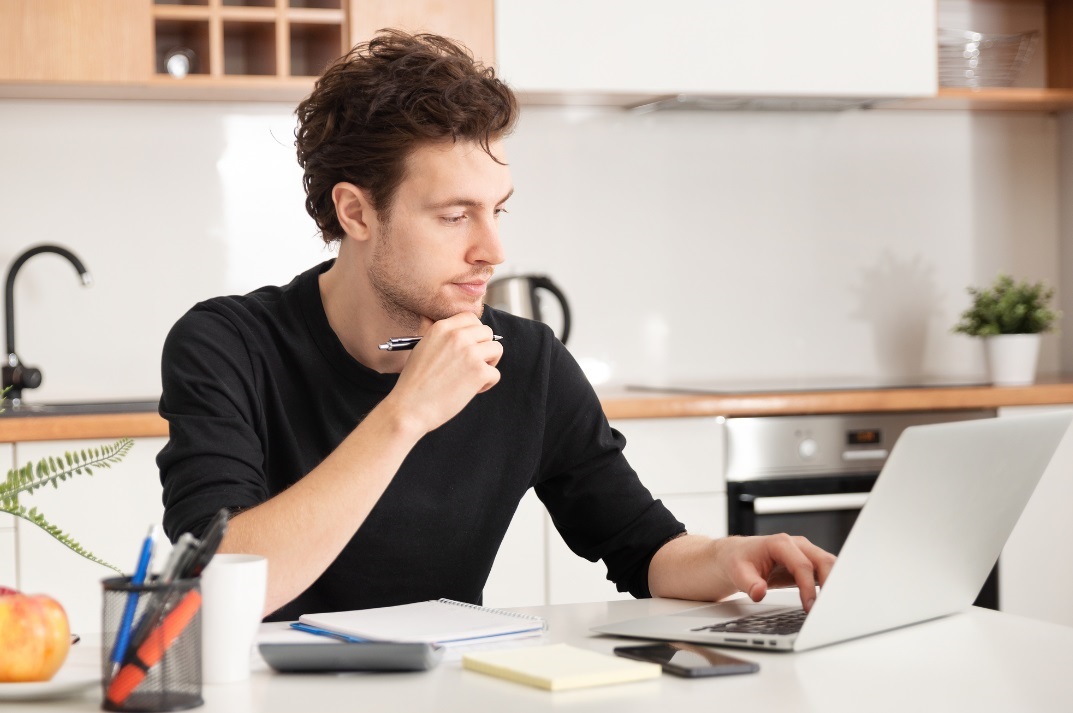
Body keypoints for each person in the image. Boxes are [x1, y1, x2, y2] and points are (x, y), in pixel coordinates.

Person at [158, 30, 835, 622]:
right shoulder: (228, 345)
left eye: (497, 211)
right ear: (357, 214)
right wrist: (405, 415)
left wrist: (730, 556)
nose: (492, 250)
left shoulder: (528, 360)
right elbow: (219, 587)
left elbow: (642, 546)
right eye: (454, 216)